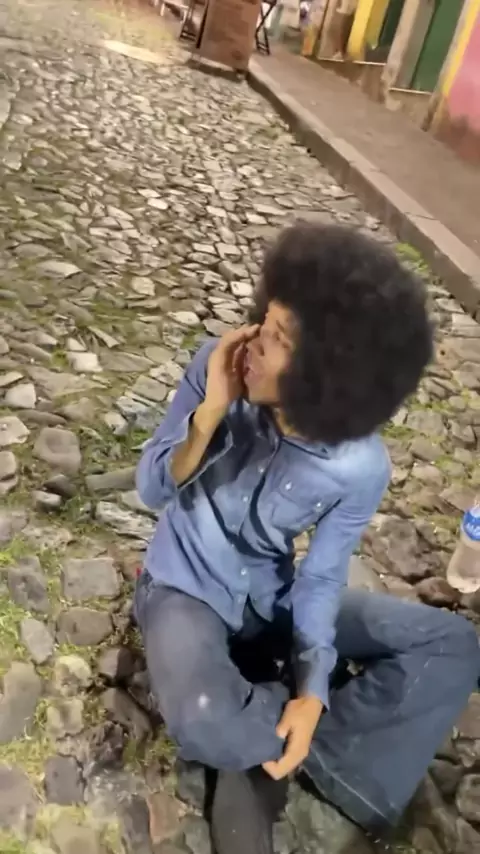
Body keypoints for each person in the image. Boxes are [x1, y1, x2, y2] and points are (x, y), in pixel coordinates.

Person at [134, 223, 479, 854]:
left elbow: (321, 576)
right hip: (183, 589)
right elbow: (153, 488)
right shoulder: (217, 369)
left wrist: (314, 690)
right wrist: (209, 414)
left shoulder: (359, 465)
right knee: (203, 716)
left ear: (329, 376)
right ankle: (291, 729)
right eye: (264, 320)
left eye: (280, 339)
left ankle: (290, 733)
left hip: (275, 601)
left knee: (453, 643)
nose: (254, 342)